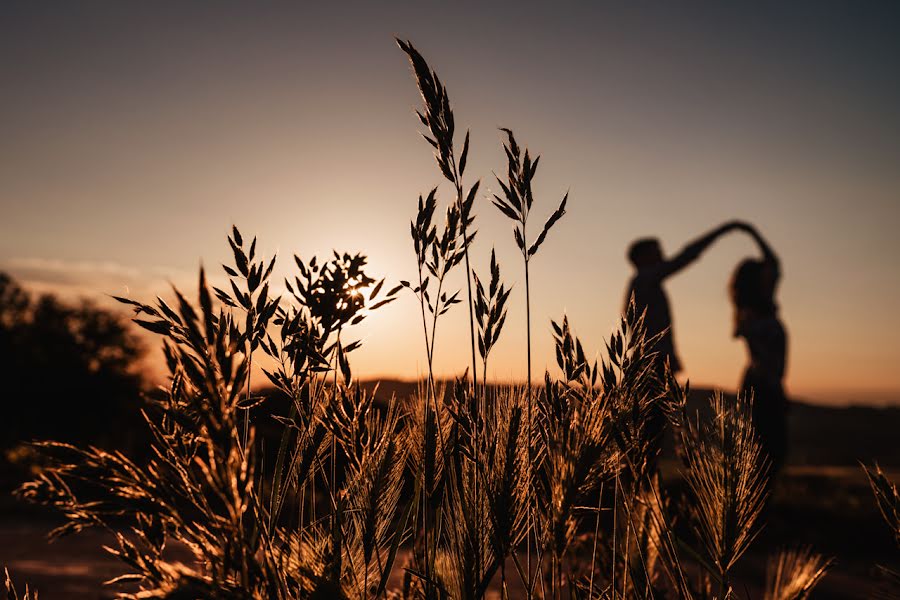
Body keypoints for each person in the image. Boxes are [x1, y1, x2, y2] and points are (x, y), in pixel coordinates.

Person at [624, 220, 744, 465]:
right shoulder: (645, 280)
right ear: (642, 257)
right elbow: (686, 257)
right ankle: (643, 488)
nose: (663, 253)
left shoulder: (643, 284)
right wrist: (721, 230)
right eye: (657, 250)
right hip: (652, 368)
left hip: (652, 366)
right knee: (651, 435)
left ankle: (646, 486)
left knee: (653, 434)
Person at [730, 223, 789, 477]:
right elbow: (765, 359)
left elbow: (774, 263)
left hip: (766, 383)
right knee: (769, 452)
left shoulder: (755, 310)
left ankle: (760, 508)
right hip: (763, 384)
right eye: (764, 276)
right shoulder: (752, 314)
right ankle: (757, 510)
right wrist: (775, 387)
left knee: (770, 452)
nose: (771, 278)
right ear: (755, 282)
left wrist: (751, 232)